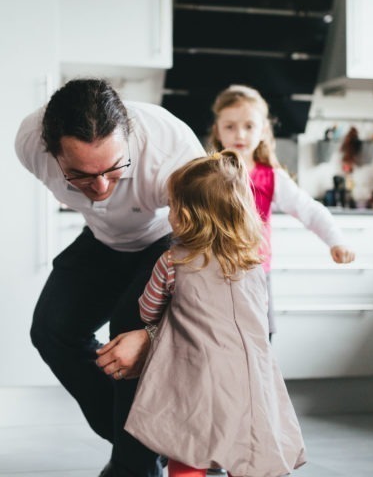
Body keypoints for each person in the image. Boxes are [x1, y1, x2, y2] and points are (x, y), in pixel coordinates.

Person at [15, 78, 205, 476]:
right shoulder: (30, 145)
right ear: (53, 153)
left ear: (129, 141)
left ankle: (133, 465)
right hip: (104, 240)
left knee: (127, 330)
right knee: (51, 329)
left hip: (169, 241)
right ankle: (144, 443)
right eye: (81, 175)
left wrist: (149, 334)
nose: (100, 187)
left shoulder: (172, 152)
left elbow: (206, 252)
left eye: (113, 168)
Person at [123, 150, 307, 477]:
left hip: (195, 375)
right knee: (248, 449)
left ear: (191, 217)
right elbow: (258, 315)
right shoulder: (253, 266)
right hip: (250, 375)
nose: (169, 215)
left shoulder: (173, 262)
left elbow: (148, 310)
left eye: (174, 207)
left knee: (189, 447)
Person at [208, 85, 355, 337]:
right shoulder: (207, 174)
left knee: (261, 338)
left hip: (256, 274)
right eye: (230, 126)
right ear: (218, 130)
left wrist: (336, 241)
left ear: (264, 130)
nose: (239, 134)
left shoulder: (272, 177)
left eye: (249, 126)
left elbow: (309, 210)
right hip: (211, 275)